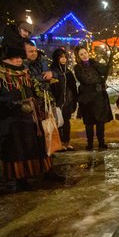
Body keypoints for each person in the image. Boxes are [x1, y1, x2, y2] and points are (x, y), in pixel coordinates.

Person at [0, 41, 58, 190]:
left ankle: (44, 171)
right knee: (17, 149)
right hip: (11, 119)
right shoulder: (2, 74)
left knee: (38, 145)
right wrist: (14, 105)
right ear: (6, 58)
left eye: (20, 57)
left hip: (31, 116)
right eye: (14, 58)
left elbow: (34, 89)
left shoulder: (24, 72)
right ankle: (19, 178)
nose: (19, 60)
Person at [74, 46, 113, 151]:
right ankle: (90, 144)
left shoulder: (94, 63)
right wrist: (98, 80)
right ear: (78, 57)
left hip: (99, 97)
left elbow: (105, 71)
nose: (84, 55)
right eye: (81, 54)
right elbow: (86, 79)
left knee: (100, 122)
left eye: (85, 52)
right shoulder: (78, 67)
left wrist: (96, 64)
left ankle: (101, 142)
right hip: (87, 99)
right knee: (89, 123)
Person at [50, 48, 78, 151]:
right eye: (61, 57)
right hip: (58, 102)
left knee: (66, 123)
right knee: (58, 123)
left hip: (68, 102)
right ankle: (59, 143)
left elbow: (73, 87)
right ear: (56, 58)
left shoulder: (68, 72)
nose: (63, 59)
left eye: (65, 57)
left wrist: (74, 100)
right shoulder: (53, 71)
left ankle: (66, 142)